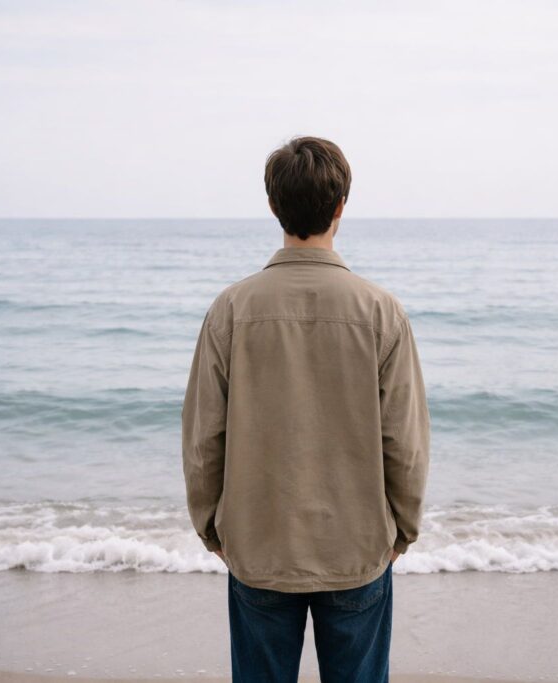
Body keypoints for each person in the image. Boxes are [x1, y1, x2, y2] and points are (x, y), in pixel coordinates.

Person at [181, 135, 431, 682]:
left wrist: (212, 530)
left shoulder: (231, 309)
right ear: (341, 206)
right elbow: (405, 443)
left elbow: (204, 439)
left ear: (274, 207)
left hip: (260, 548)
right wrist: (402, 532)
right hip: (357, 548)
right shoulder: (381, 311)